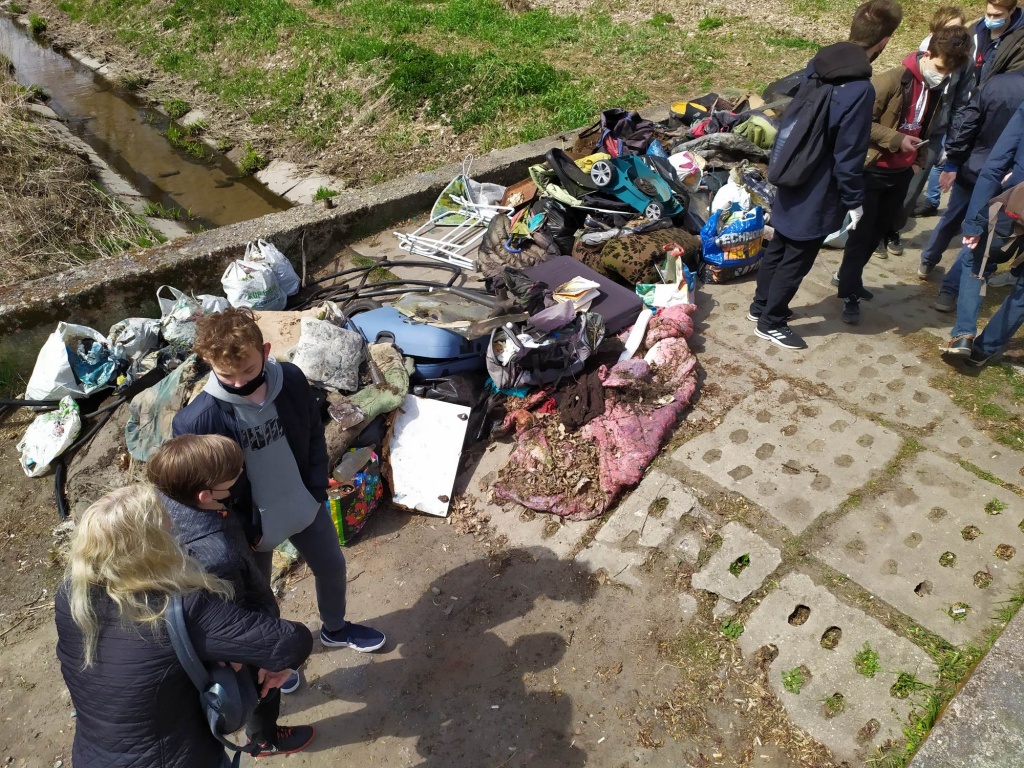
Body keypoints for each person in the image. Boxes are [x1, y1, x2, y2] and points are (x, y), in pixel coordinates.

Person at [173, 308, 386, 655]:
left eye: (249, 370)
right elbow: (203, 495)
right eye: (227, 375)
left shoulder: (291, 380)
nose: (240, 383)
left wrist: (317, 489)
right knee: (258, 600)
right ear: (208, 362)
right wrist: (242, 529)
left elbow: (314, 434)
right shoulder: (196, 421)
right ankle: (271, 658)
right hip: (251, 530)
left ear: (267, 351)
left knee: (332, 568)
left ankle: (335, 628)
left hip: (304, 504)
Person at [55, 485, 313, 768]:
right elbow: (291, 643)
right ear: (152, 546)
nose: (176, 531)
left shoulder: (71, 597)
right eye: (169, 528)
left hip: (93, 757)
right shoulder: (181, 609)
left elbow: (134, 659)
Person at [146, 434, 315, 757]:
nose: (241, 473)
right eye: (234, 474)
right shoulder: (216, 551)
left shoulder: (167, 496)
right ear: (205, 494)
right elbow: (234, 614)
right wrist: (259, 653)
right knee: (261, 687)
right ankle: (264, 738)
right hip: (239, 632)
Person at [749, 0, 903, 350]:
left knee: (781, 243)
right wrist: (854, 201)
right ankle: (771, 321)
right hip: (819, 184)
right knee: (798, 255)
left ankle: (760, 306)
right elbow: (848, 154)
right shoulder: (859, 88)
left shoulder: (822, 61)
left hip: (791, 169)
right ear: (885, 41)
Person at [834, 25, 972, 325]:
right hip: (872, 171)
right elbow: (860, 123)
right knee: (860, 234)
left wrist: (917, 157)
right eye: (939, 67)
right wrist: (897, 140)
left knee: (879, 230)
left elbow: (925, 126)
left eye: (949, 72)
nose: (942, 75)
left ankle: (851, 279)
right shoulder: (891, 80)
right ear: (927, 53)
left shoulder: (937, 88)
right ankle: (849, 292)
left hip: (900, 173)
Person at [918, 68, 1024, 295]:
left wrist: (954, 161)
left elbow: (967, 122)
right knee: (978, 233)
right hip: (1004, 178)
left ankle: (928, 260)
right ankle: (949, 291)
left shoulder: (996, 83)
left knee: (952, 216)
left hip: (973, 164)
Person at [940, 101, 1024, 358]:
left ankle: (964, 335)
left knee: (975, 262)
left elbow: (995, 165)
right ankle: (985, 350)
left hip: (1015, 206)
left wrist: (975, 221)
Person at [901, 7, 969, 225]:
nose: (955, 37)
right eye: (950, 30)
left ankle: (893, 230)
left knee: (914, 186)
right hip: (908, 127)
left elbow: (959, 104)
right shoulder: (920, 58)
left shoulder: (960, 63)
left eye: (959, 30)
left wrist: (952, 143)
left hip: (934, 132)